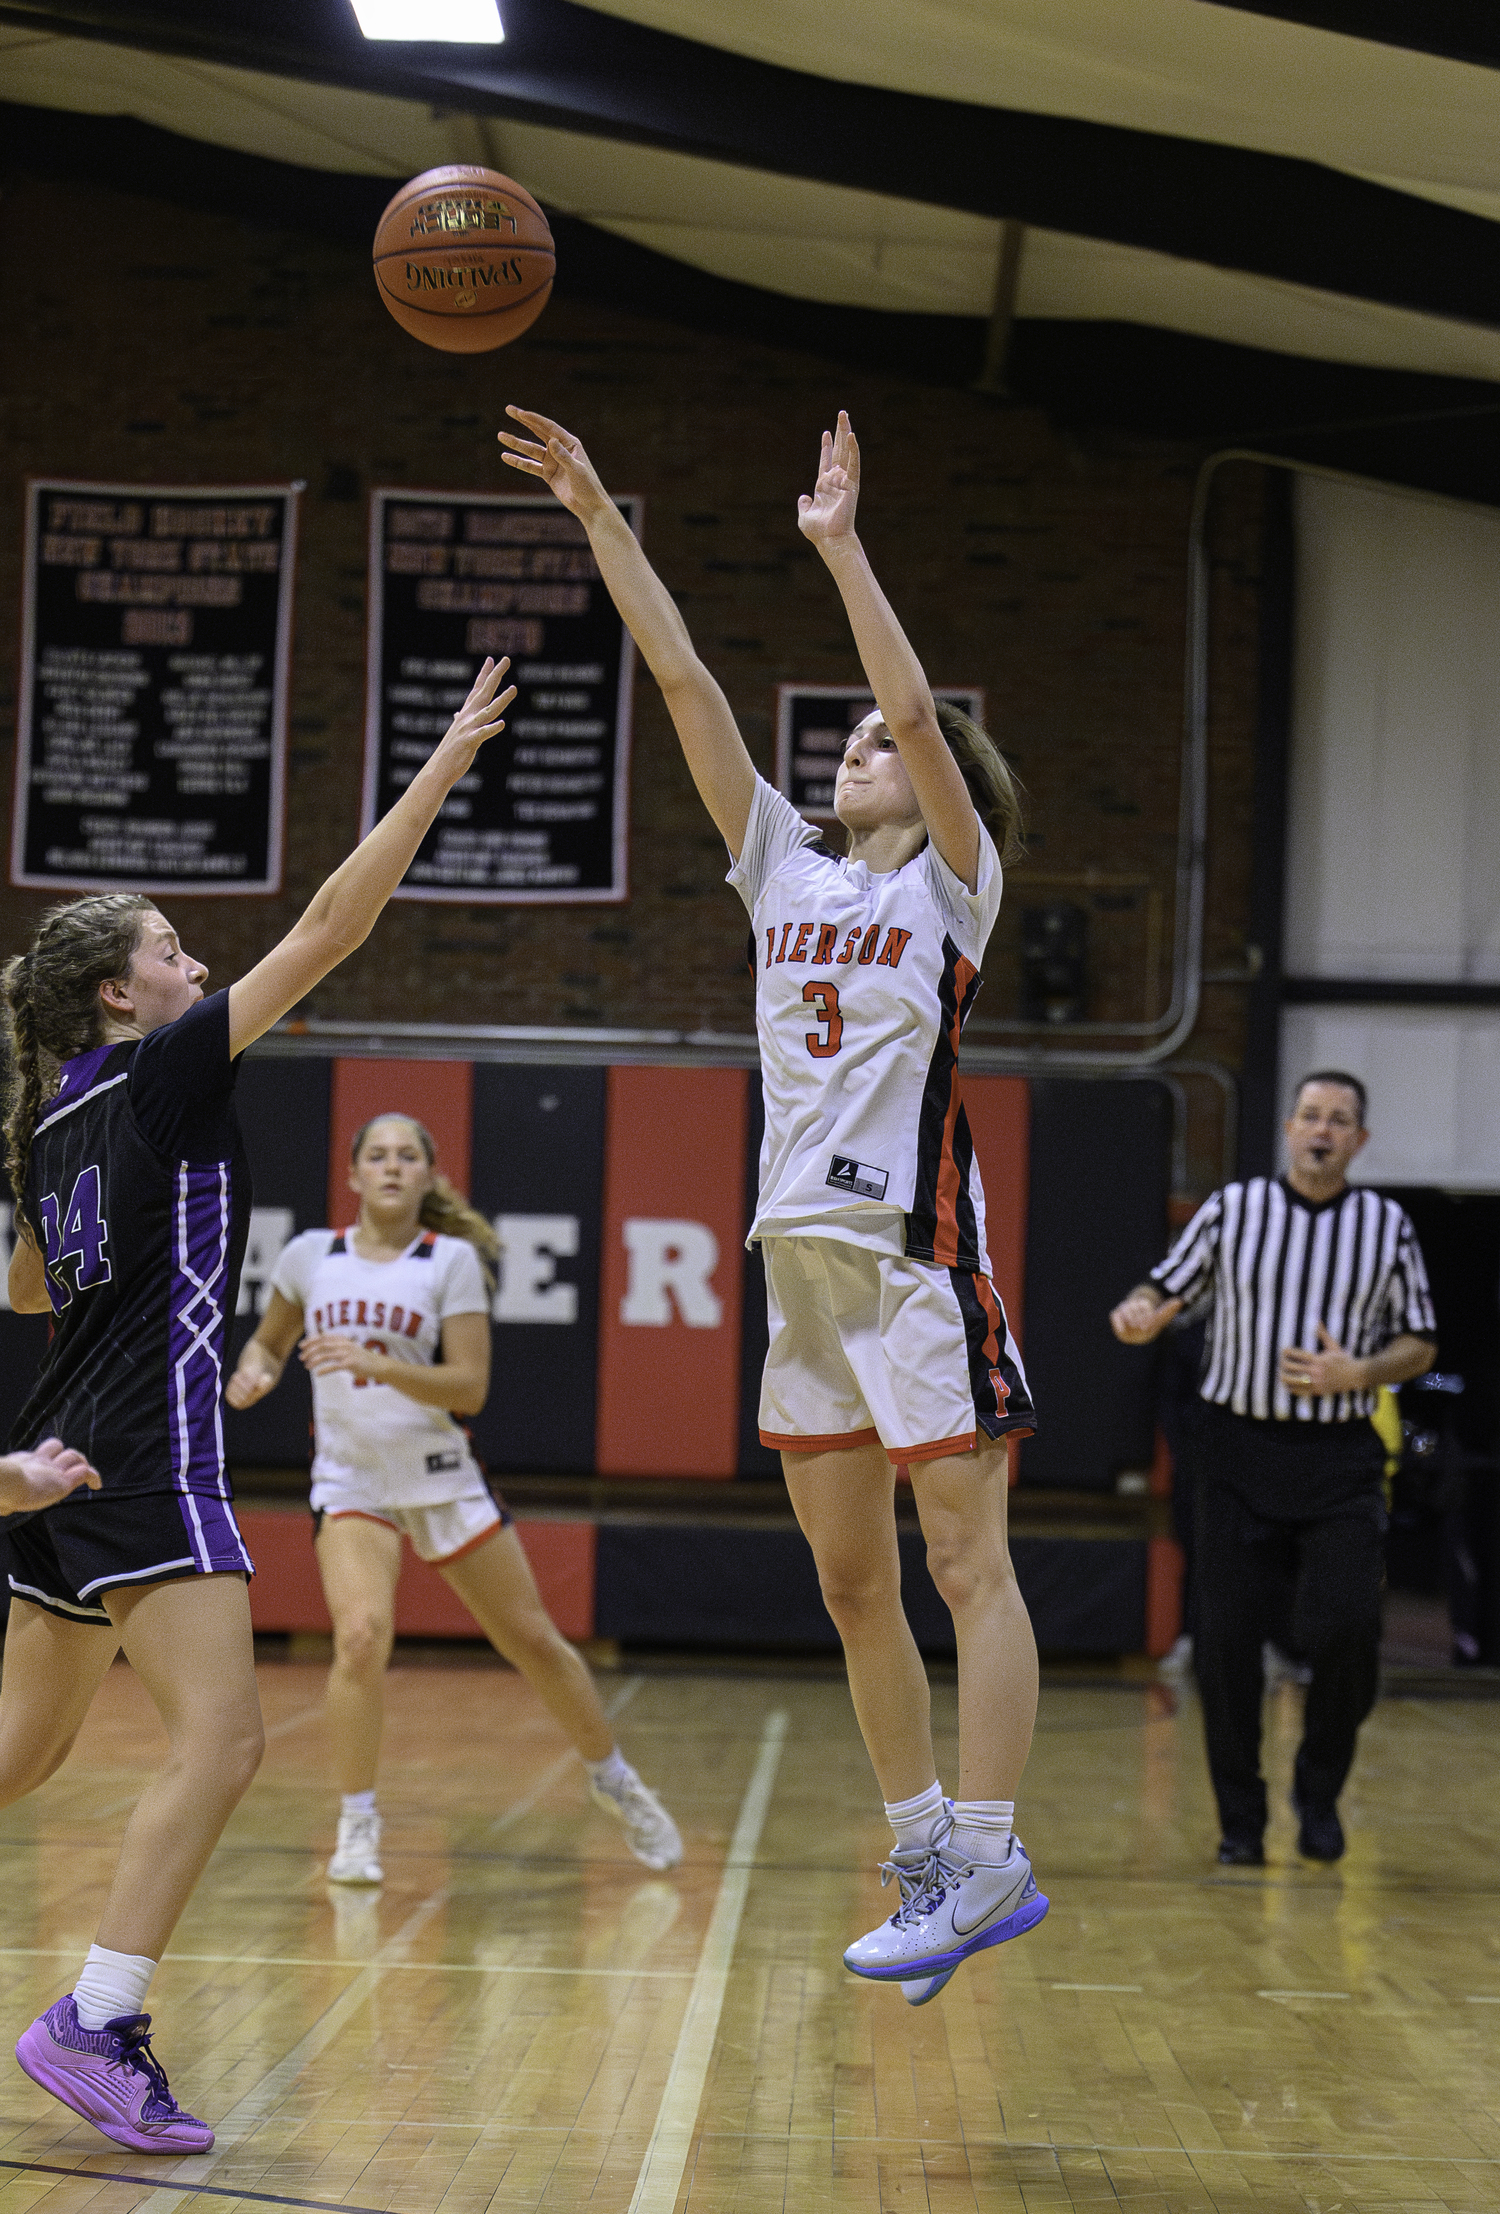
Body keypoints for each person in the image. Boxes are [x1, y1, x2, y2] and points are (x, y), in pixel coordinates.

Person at [499, 404, 1045, 2005]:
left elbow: (925, 726)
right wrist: (601, 511)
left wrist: (838, 546)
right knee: (850, 1580)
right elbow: (683, 682)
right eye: (860, 745)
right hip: (796, 1266)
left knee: (966, 1567)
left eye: (878, 743)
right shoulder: (784, 873)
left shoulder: (951, 885)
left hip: (915, 1257)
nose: (860, 750)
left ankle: (994, 1846)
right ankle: (930, 1844)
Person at [1, 657, 515, 2152]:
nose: (191, 955)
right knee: (222, 1745)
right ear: (124, 992)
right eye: (169, 945)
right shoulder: (159, 1074)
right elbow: (332, 925)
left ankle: (95, 2012)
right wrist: (438, 765)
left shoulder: (45, 1126)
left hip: (57, 1458)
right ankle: (95, 2015)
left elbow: (30, 1291)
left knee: (21, 1761)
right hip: (148, 1454)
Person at [225, 1113, 681, 1879]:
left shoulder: (450, 1260)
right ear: (353, 1175)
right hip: (351, 1480)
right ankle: (357, 1823)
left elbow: (470, 1386)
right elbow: (269, 1341)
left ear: (430, 1177)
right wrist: (255, 1371)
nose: (393, 1167)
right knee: (361, 1637)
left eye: (409, 1156)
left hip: (438, 1474)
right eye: (378, 1155)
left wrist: (376, 1360)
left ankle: (614, 1779)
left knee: (533, 1640)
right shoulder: (311, 1256)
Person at [1110, 1072, 1437, 1865]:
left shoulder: (1385, 1226)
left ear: (1359, 1140)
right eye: (1312, 1115)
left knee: (1350, 1626)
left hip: (1338, 1460)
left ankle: (1318, 1791)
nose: (1323, 1130)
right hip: (1236, 1453)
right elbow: (1167, 1285)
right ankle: (1241, 1823)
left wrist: (1357, 1373)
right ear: (1289, 1128)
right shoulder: (1234, 1211)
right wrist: (1140, 1311)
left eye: (1341, 1120)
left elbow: (1420, 1340)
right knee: (1225, 1647)